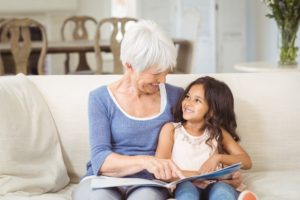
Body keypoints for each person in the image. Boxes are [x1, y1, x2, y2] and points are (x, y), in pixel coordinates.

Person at [72, 20, 243, 200]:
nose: (162, 80)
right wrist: (146, 161)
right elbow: (101, 159)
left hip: (149, 183)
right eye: (155, 73)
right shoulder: (100, 98)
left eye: (165, 72)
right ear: (129, 65)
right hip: (102, 180)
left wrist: (222, 175)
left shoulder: (176, 97)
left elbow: (204, 134)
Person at [155, 76, 257, 200]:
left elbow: (247, 162)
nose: (188, 103)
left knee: (223, 192)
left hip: (215, 184)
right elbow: (160, 170)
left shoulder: (218, 133)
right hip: (184, 183)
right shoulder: (171, 130)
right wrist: (198, 175)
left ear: (212, 111)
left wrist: (218, 157)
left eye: (197, 100)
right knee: (187, 193)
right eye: (187, 97)